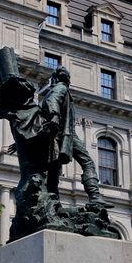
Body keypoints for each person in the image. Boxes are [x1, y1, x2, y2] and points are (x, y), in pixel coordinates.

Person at [39, 66, 112, 209]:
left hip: (55, 134)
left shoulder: (53, 90)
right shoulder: (61, 88)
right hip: (65, 133)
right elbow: (52, 101)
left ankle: (53, 201)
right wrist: (54, 115)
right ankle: (95, 197)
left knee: (54, 169)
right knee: (88, 163)